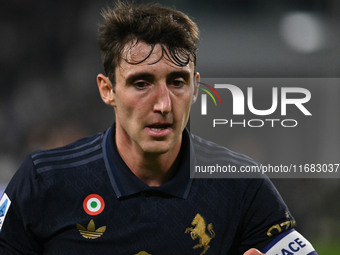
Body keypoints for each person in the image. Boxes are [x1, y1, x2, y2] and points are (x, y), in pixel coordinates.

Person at [0, 1, 318, 255]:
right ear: (107, 89)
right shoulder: (43, 181)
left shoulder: (240, 184)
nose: (163, 104)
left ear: (195, 88)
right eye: (141, 83)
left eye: (177, 82)